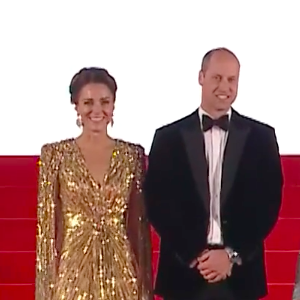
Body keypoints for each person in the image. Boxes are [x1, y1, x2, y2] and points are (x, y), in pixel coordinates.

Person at [144, 48, 283, 300]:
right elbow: (158, 203)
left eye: (232, 80)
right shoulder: (168, 138)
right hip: (183, 275)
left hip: (240, 278)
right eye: (217, 77)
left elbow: (267, 205)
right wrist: (196, 255)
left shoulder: (262, 138)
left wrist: (231, 255)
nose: (225, 86)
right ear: (201, 77)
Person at [35, 67, 153, 300]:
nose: (97, 110)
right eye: (88, 102)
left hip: (121, 273)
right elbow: (47, 232)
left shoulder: (132, 155)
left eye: (104, 102)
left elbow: (139, 229)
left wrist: (143, 289)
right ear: (76, 106)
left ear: (113, 106)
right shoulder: (55, 155)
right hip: (73, 274)